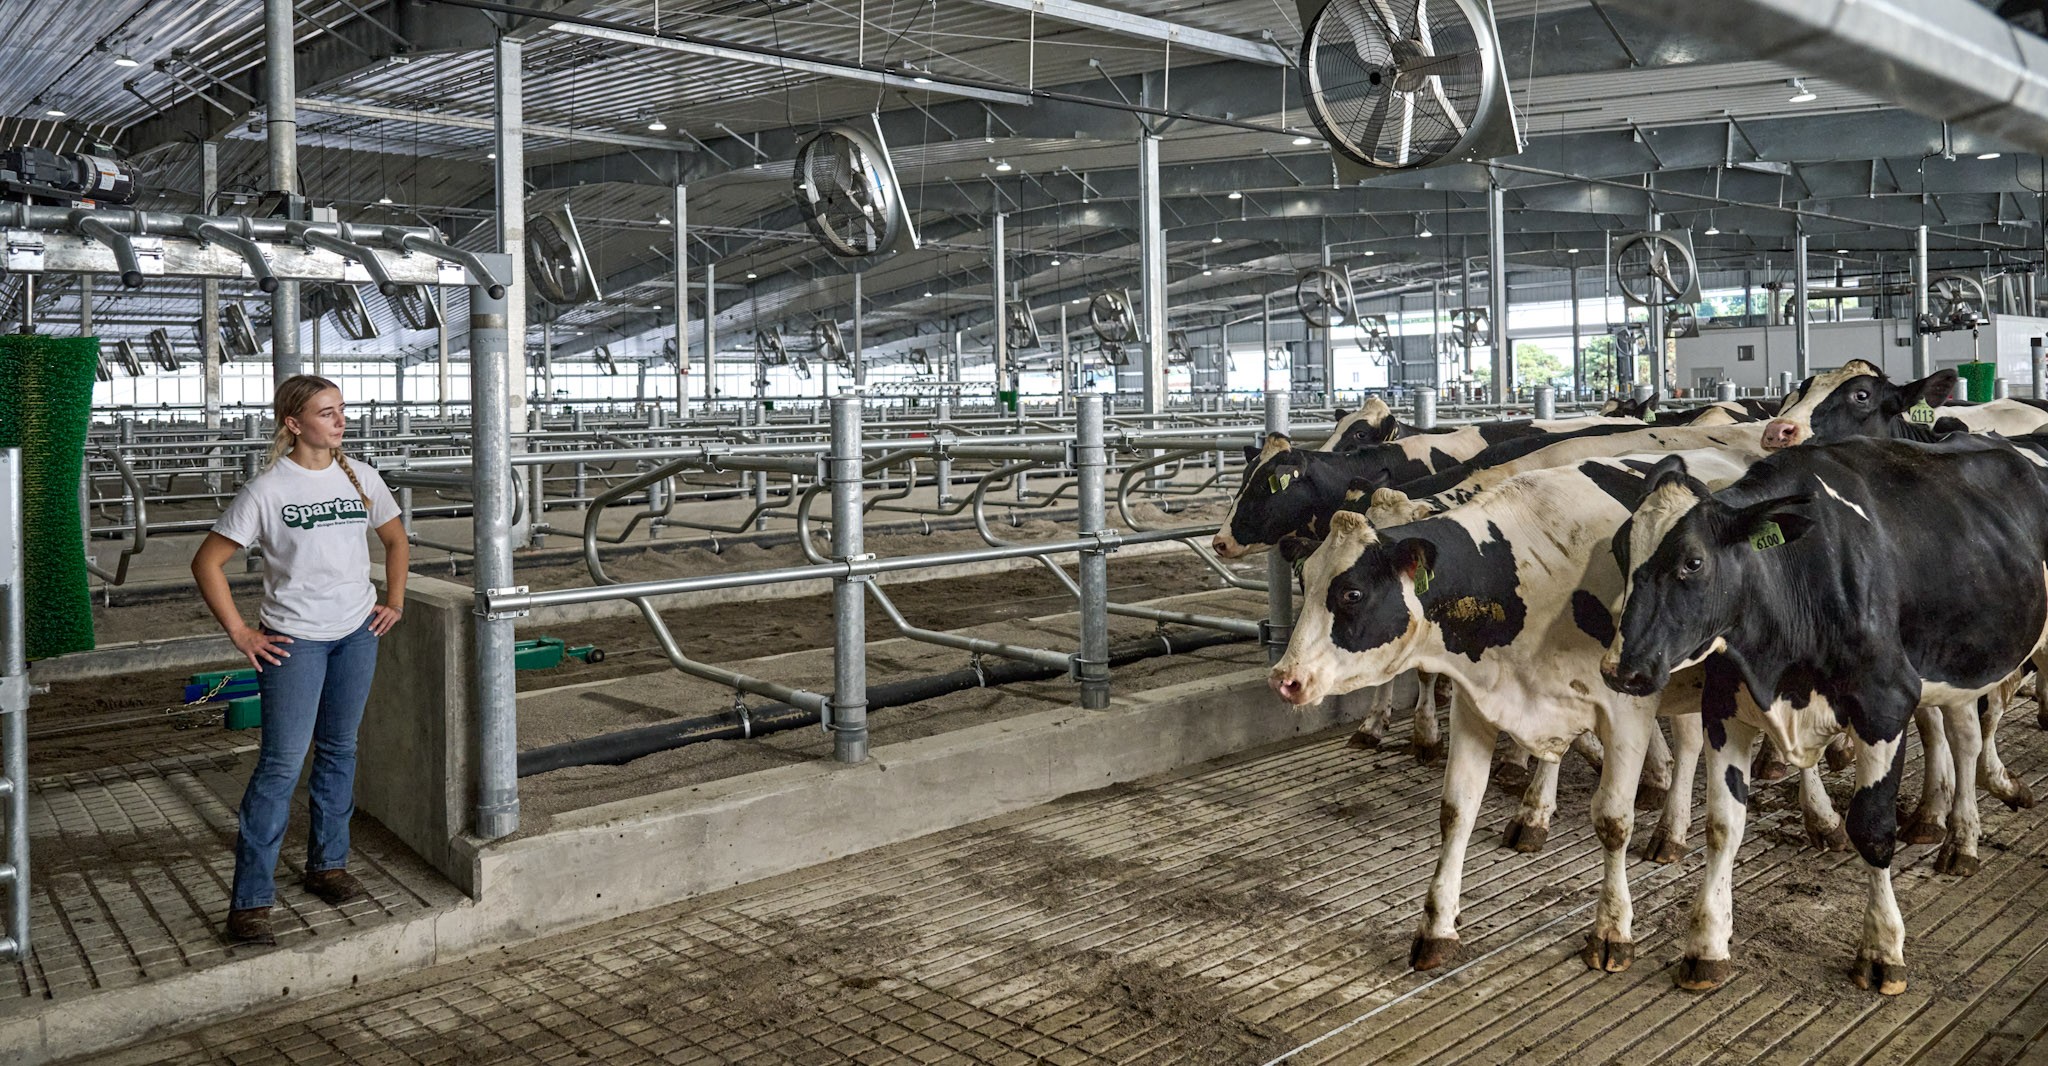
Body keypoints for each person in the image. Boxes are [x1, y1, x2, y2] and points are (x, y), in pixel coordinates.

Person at [191, 374, 408, 946]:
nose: (340, 420)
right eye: (327, 412)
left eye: (341, 410)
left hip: (356, 632)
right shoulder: (267, 489)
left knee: (339, 750)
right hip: (293, 640)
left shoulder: (358, 475)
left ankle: (327, 866)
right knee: (281, 765)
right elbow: (206, 562)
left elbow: (395, 539)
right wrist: (240, 632)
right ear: (294, 423)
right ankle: (251, 901)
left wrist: (393, 601)